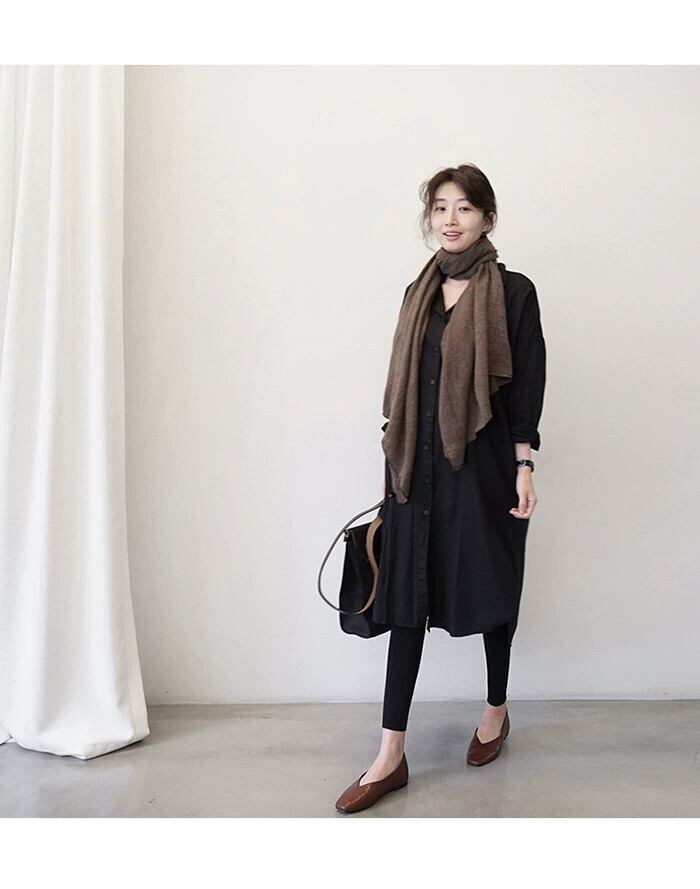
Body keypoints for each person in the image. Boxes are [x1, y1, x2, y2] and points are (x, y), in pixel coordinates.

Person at [335, 163, 547, 814]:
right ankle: (390, 754)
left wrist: (524, 464)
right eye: (439, 207)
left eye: (464, 207)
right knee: (405, 598)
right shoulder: (418, 292)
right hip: (414, 469)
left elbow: (526, 383)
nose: (450, 219)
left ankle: (495, 710)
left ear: (487, 217)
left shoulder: (512, 292)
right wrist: (393, 457)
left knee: (490, 587)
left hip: (483, 468)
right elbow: (406, 385)